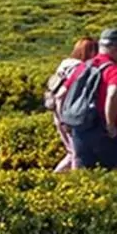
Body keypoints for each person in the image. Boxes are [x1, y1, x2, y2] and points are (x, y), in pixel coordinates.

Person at [68, 28, 117, 170]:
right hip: (101, 127)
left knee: (82, 170)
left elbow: (65, 91)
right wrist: (110, 124)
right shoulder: (114, 69)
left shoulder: (83, 66)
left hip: (80, 125)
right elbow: (112, 93)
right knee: (111, 170)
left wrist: (67, 120)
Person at [48, 36, 97, 172]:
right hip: (67, 115)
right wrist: (65, 119)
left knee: (71, 152)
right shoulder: (78, 68)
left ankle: (54, 179)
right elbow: (61, 95)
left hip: (57, 113)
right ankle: (74, 184)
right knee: (76, 154)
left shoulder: (64, 65)